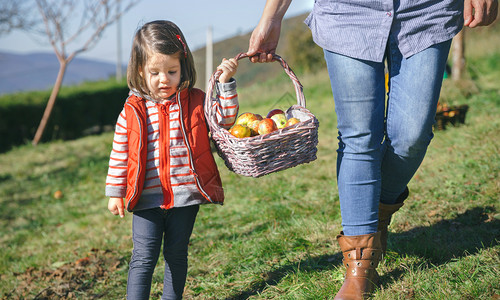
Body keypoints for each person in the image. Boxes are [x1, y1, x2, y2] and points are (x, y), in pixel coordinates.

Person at [247, 0, 498, 299]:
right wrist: (271, 16)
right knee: (358, 137)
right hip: (348, 10)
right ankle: (360, 267)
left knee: (412, 136)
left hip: (427, 8)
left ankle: (375, 213)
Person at [105, 20, 239, 300]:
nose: (163, 79)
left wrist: (226, 85)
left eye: (171, 71)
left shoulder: (196, 101)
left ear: (183, 66)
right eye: (154, 72)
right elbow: (120, 153)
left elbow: (224, 121)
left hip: (185, 197)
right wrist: (116, 192)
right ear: (140, 69)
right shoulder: (132, 110)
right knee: (143, 257)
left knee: (176, 254)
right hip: (145, 198)